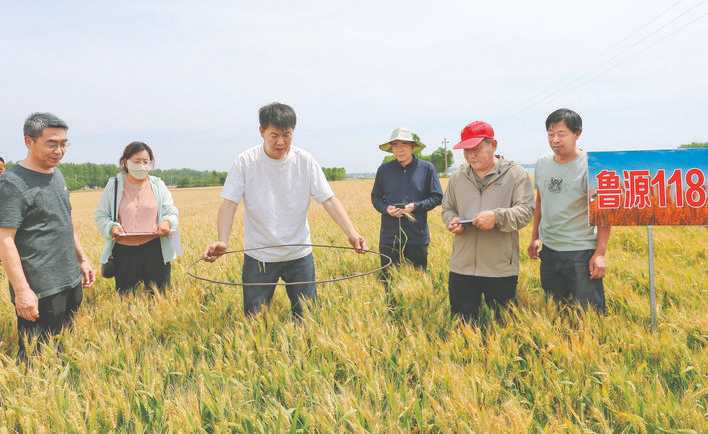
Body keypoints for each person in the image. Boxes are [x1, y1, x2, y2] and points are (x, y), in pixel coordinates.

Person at [203, 102, 367, 317]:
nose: (281, 142)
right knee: (254, 319)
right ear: (262, 131)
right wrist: (222, 239)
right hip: (259, 256)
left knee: (307, 317)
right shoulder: (245, 162)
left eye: (287, 135)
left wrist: (352, 234)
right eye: (274, 135)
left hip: (299, 255)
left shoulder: (305, 161)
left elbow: (328, 199)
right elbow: (229, 204)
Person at [0, 113, 95, 358]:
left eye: (64, 144)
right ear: (28, 142)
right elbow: (4, 239)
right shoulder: (12, 184)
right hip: (41, 288)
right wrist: (22, 291)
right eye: (52, 143)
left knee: (65, 352)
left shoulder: (57, 174)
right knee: (37, 358)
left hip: (70, 281)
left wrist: (82, 259)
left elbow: (66, 220)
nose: (59, 151)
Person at [442, 121, 534, 324]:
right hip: (462, 268)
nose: (470, 155)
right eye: (466, 150)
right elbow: (447, 208)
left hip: (500, 268)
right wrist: (452, 221)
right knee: (462, 329)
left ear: (493, 145)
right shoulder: (458, 178)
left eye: (476, 149)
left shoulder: (515, 174)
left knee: (503, 329)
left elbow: (526, 211)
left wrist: (497, 217)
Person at [528, 108, 610, 312]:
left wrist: (600, 253)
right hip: (550, 250)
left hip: (580, 252)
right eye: (550, 134)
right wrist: (534, 236)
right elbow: (541, 201)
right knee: (556, 310)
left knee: (588, 313)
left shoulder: (591, 166)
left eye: (561, 134)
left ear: (577, 133)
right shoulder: (542, 164)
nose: (555, 139)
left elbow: (604, 213)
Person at [95, 142, 181, 294]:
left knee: (159, 297)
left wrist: (167, 223)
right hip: (124, 252)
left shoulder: (158, 185)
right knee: (126, 299)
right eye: (136, 161)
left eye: (145, 162)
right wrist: (111, 228)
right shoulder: (114, 185)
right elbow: (101, 216)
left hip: (156, 249)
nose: (141, 166)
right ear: (125, 162)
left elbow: (171, 212)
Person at [371, 128, 442, 285]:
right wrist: (386, 209)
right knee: (388, 283)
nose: (400, 149)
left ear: (412, 147)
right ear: (391, 149)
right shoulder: (384, 170)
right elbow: (375, 197)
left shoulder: (427, 168)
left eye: (404, 144)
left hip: (416, 236)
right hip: (389, 237)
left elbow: (437, 197)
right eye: (395, 145)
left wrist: (415, 207)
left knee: (418, 283)